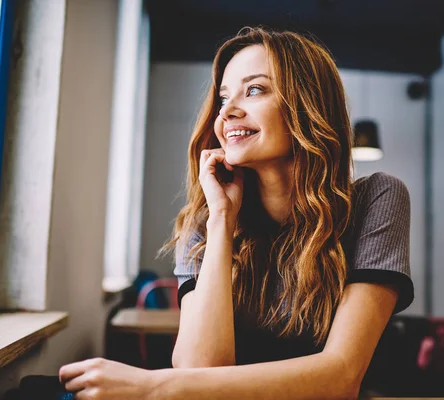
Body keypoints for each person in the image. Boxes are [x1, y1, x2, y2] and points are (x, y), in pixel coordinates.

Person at [59, 26, 414, 400]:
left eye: (255, 89)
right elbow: (201, 366)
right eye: (223, 96)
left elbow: (342, 378)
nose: (227, 111)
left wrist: (152, 387)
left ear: (308, 105)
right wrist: (222, 221)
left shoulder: (378, 198)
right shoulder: (205, 221)